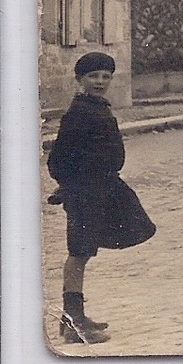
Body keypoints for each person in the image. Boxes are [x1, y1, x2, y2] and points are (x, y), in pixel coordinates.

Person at [47, 53, 156, 345]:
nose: (100, 81)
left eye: (106, 76)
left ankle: (73, 317)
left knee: (87, 250)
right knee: (79, 253)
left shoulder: (96, 107)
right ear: (80, 79)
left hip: (101, 187)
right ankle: (73, 323)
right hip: (85, 191)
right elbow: (58, 159)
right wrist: (70, 186)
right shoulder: (79, 113)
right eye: (94, 76)